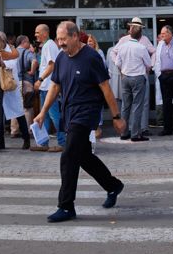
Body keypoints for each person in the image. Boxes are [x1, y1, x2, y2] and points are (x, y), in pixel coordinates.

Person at [33, 20, 126, 223]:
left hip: (86, 113)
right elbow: (55, 86)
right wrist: (42, 112)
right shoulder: (61, 57)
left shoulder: (91, 58)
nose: (60, 43)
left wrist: (116, 117)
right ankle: (113, 185)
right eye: (58, 39)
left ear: (75, 36)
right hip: (69, 112)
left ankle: (66, 206)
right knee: (83, 156)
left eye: (63, 39)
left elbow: (106, 88)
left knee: (68, 156)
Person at [109, 17, 154, 142]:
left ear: (130, 31)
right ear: (140, 33)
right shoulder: (141, 47)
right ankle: (135, 134)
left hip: (125, 78)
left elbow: (117, 62)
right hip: (138, 77)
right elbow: (149, 64)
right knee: (137, 106)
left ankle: (124, 133)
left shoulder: (123, 45)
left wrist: (123, 70)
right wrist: (146, 69)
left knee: (125, 106)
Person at [34, 24, 63, 152]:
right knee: (44, 115)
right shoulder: (47, 45)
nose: (35, 35)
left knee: (54, 115)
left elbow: (52, 65)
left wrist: (40, 79)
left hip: (49, 87)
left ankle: (63, 143)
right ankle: (43, 143)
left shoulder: (50, 45)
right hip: (45, 87)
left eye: (37, 32)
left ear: (45, 33)